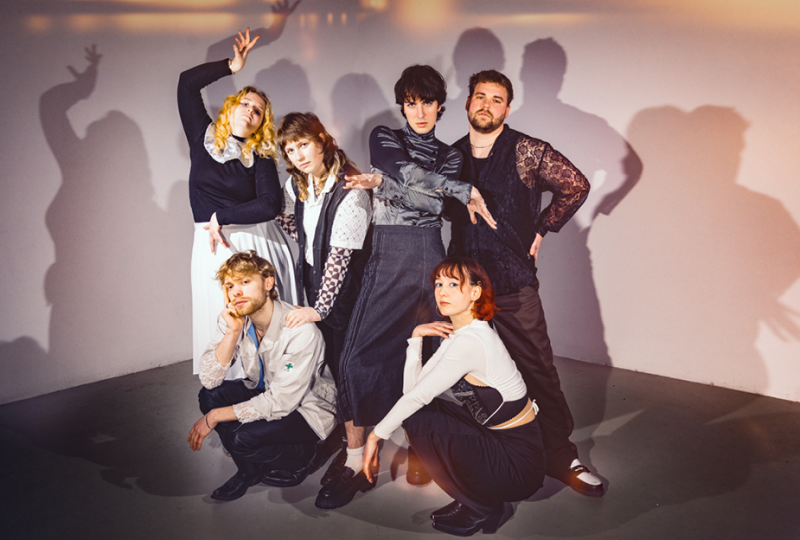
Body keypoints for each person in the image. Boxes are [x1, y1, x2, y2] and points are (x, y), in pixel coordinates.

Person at [316, 65, 496, 510]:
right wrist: (455, 190)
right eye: (411, 103)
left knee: (429, 359)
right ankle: (355, 459)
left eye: (427, 103)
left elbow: (432, 203)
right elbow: (415, 181)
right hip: (388, 251)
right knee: (358, 357)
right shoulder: (385, 137)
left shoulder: (450, 155)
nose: (419, 112)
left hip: (431, 256)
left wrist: (386, 184)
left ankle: (421, 448)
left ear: (440, 106)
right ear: (402, 105)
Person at [447, 69, 604, 496]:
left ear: (507, 109)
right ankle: (490, 450)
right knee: (469, 373)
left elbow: (576, 185)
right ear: (468, 103)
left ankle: (561, 456)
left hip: (512, 283)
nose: (486, 105)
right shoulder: (451, 156)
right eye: (480, 97)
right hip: (464, 289)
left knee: (537, 369)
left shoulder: (527, 151)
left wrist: (542, 227)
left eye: (496, 99)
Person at [363, 257, 546, 536]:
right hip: (499, 442)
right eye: (438, 284)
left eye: (452, 284)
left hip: (519, 466)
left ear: (475, 292)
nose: (442, 292)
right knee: (419, 415)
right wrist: (416, 337)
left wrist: (375, 437)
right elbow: (412, 392)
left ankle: (483, 506)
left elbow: (416, 398)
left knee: (418, 421)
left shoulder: (471, 341)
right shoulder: (460, 334)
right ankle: (472, 497)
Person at [256, 112, 372, 486]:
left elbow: (339, 260)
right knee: (328, 367)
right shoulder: (300, 183)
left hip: (349, 293)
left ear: (322, 140)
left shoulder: (350, 190)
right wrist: (307, 244)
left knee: (348, 370)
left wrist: (317, 310)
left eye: (303, 144)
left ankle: (356, 455)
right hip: (316, 285)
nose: (298, 155)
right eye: (290, 150)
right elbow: (286, 217)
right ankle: (334, 434)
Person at [178, 27, 297, 378]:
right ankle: (226, 386)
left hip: (252, 242)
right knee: (222, 322)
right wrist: (231, 66)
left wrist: (222, 216)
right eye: (245, 103)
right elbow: (186, 83)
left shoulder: (260, 155)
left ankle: (272, 387)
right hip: (210, 245)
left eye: (258, 111)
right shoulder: (202, 136)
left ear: (261, 123)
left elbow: (270, 204)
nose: (250, 110)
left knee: (262, 328)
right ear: (232, 106)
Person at [187, 251, 337, 501]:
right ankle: (249, 470)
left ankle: (310, 455)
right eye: (230, 286)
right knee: (209, 397)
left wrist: (215, 417)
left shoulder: (300, 331)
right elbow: (210, 380)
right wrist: (233, 332)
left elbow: (282, 401)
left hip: (306, 408)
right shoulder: (234, 319)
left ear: (268, 283)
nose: (236, 292)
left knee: (240, 438)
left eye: (245, 281)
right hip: (268, 389)